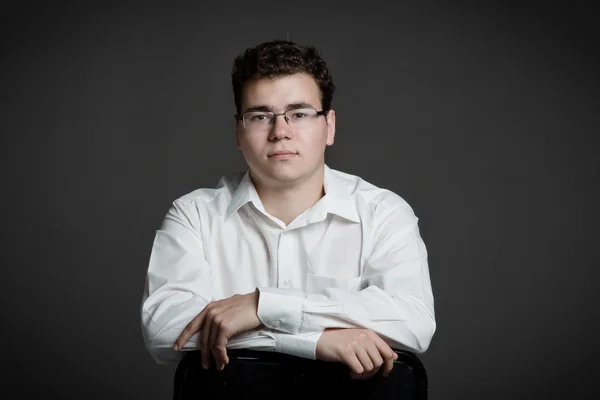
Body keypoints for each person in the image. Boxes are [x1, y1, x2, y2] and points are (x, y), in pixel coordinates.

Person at [140, 39, 436, 380]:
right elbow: (165, 331)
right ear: (238, 131)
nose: (280, 132)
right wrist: (313, 341)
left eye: (298, 114)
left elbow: (413, 321)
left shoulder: (383, 213)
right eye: (260, 116)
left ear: (330, 126)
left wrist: (261, 307)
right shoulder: (193, 215)